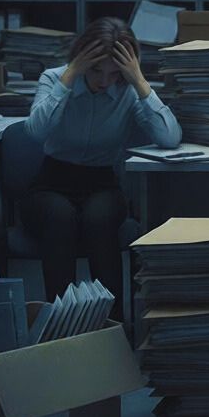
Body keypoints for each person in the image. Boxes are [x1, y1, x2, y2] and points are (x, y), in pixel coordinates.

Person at [22, 17, 181, 306]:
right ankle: (63, 326)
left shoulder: (128, 89)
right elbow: (35, 132)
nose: (104, 81)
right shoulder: (54, 79)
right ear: (81, 59)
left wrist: (137, 79)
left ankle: (112, 328)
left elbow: (170, 137)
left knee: (99, 218)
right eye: (96, 70)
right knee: (60, 217)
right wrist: (70, 76)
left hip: (102, 184)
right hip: (51, 184)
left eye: (114, 73)